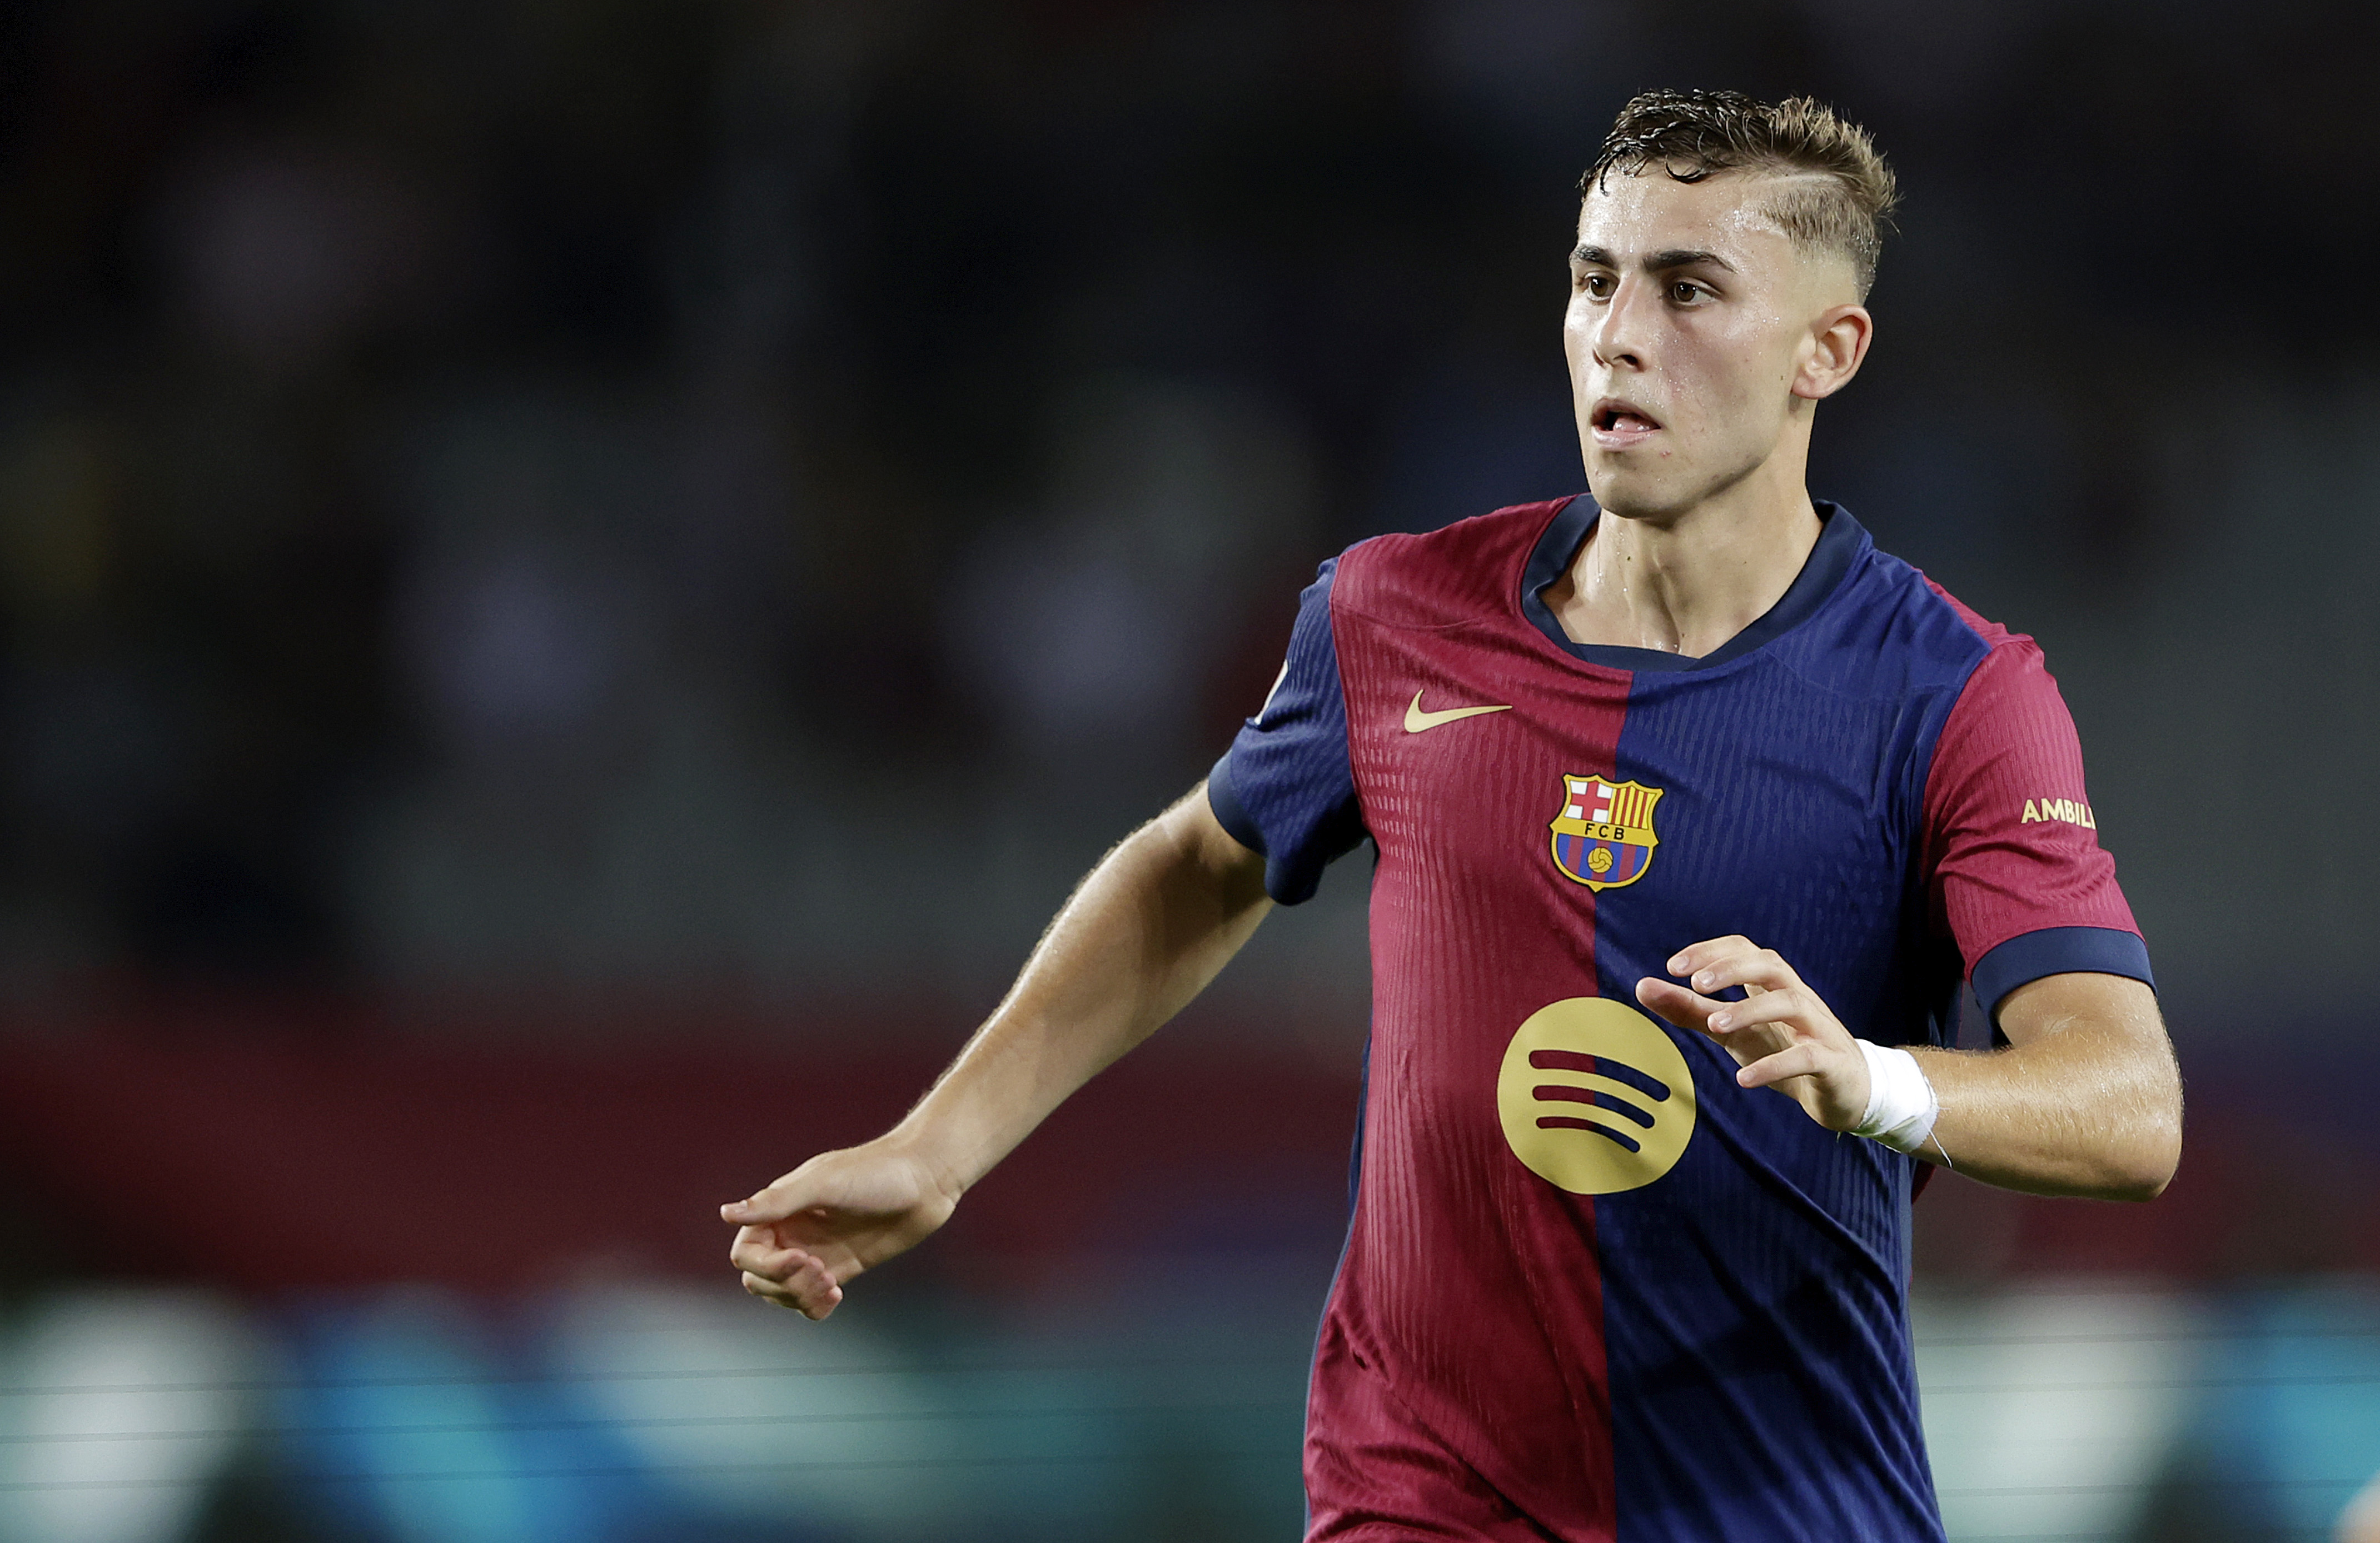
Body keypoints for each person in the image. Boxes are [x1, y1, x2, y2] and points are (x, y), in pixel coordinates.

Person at [720, 89, 2183, 1541]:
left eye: (1688, 290)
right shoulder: (1393, 615)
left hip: (1780, 1503)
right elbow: (1199, 862)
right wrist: (941, 1146)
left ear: (1826, 350)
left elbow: (2125, 1107)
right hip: (1422, 1494)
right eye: (1593, 279)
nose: (1617, 334)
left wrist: (1872, 1081)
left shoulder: (1954, 697)